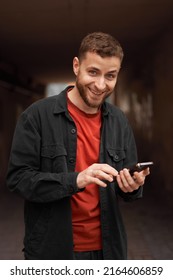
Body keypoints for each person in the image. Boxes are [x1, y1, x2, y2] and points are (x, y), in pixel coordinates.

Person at [6, 32, 150, 260]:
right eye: (93, 72)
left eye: (110, 76)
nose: (101, 85)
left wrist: (132, 185)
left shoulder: (120, 121)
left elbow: (127, 192)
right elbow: (18, 180)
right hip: (52, 251)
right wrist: (76, 180)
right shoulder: (36, 116)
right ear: (76, 66)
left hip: (109, 251)